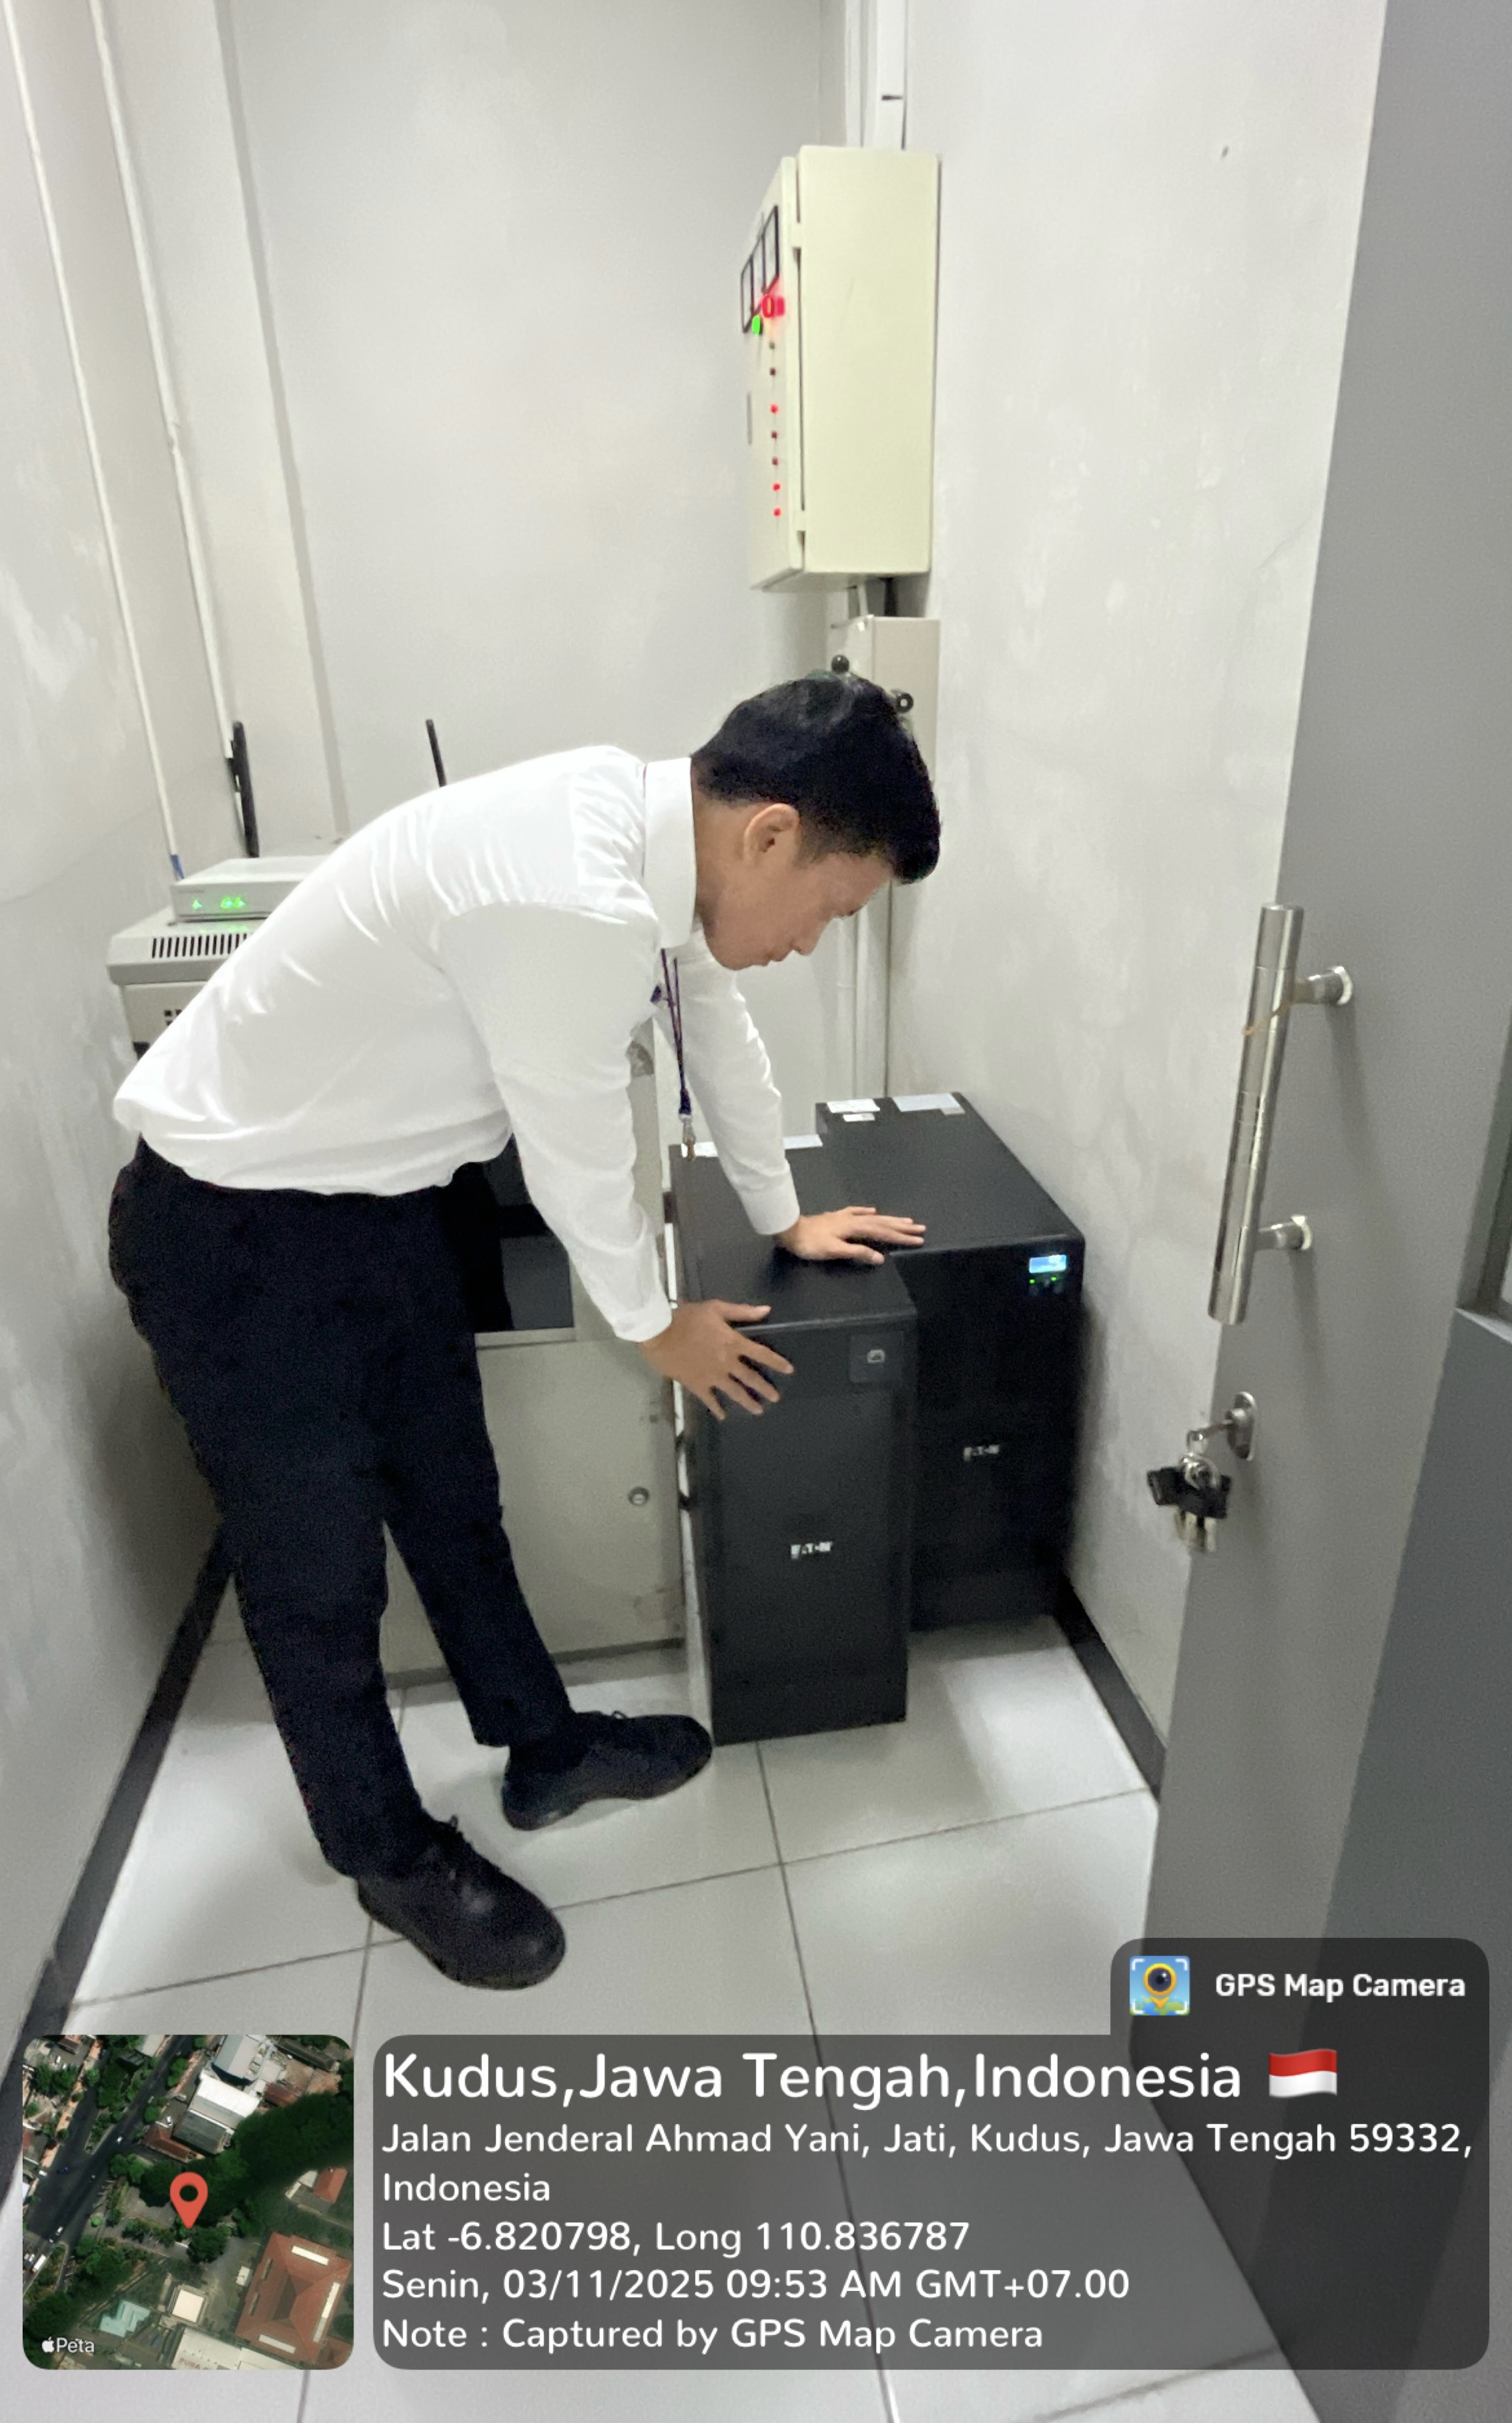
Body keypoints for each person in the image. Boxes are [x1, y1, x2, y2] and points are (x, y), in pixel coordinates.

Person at [107, 673, 940, 1989]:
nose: (811, 942)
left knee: (453, 1500)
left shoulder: (653, 843)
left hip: (376, 1205)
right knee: (317, 1579)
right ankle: (388, 1854)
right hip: (235, 1234)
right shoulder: (572, 892)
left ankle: (543, 1747)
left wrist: (783, 1213)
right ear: (770, 834)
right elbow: (573, 1152)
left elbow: (713, 1023)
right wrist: (654, 1326)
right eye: (831, 910)